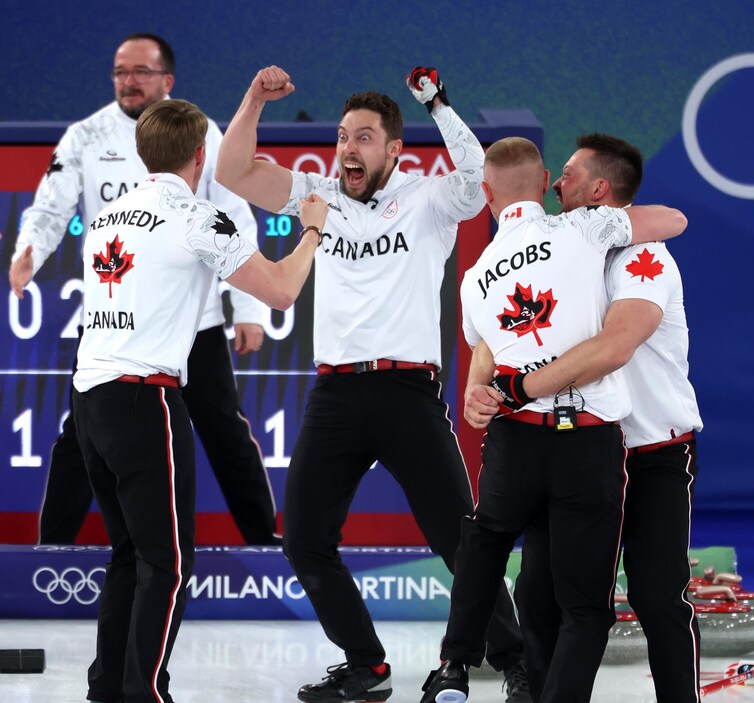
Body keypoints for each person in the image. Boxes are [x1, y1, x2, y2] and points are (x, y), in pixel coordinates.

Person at [215, 66, 528, 703]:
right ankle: (367, 665)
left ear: (394, 150)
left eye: (363, 137)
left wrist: (437, 104)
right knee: (304, 539)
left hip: (408, 393)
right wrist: (252, 99)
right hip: (335, 396)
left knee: (461, 539)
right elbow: (232, 171)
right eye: (342, 136)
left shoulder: (429, 199)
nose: (347, 148)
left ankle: (515, 660)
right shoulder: (317, 195)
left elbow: (479, 177)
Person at [421, 136, 688, 703]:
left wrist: (513, 389)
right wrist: (476, 386)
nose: (559, 183)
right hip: (585, 443)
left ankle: (457, 660)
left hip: (648, 448)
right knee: (541, 596)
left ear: (599, 190)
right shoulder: (569, 238)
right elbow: (497, 336)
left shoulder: (641, 256)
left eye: (569, 173)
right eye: (555, 174)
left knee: (656, 598)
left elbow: (612, 347)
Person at [73, 98, 321, 703]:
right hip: (145, 401)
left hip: (88, 399)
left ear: (142, 153)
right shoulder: (197, 218)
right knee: (168, 563)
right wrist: (312, 229)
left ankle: (108, 689)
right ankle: (145, 693)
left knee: (129, 554)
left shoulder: (107, 217)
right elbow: (281, 291)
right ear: (201, 156)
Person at [9, 33, 278, 546]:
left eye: (140, 72)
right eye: (120, 72)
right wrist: (29, 252)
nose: (128, 81)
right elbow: (50, 207)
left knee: (224, 431)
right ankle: (49, 552)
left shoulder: (201, 132)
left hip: (191, 322)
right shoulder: (86, 136)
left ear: (166, 79)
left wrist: (248, 307)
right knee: (79, 436)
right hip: (115, 322)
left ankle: (265, 545)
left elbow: (235, 216)